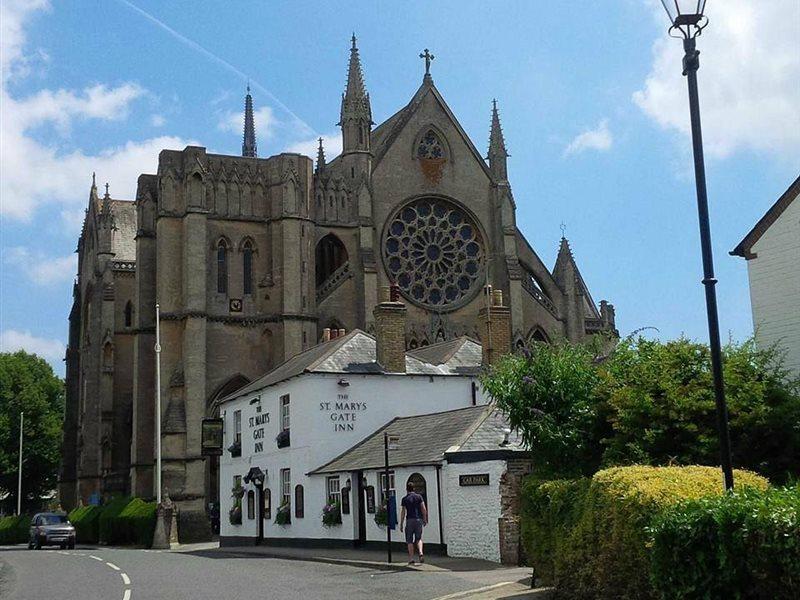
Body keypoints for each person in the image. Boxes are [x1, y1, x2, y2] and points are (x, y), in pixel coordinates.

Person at [399, 481, 428, 565]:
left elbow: (403, 512)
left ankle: (411, 559)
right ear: (414, 488)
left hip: (409, 520)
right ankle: (421, 553)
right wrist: (425, 519)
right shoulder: (419, 497)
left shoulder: (405, 499)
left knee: (409, 540)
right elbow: (423, 508)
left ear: (406, 489)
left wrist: (401, 523)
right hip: (418, 520)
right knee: (419, 538)